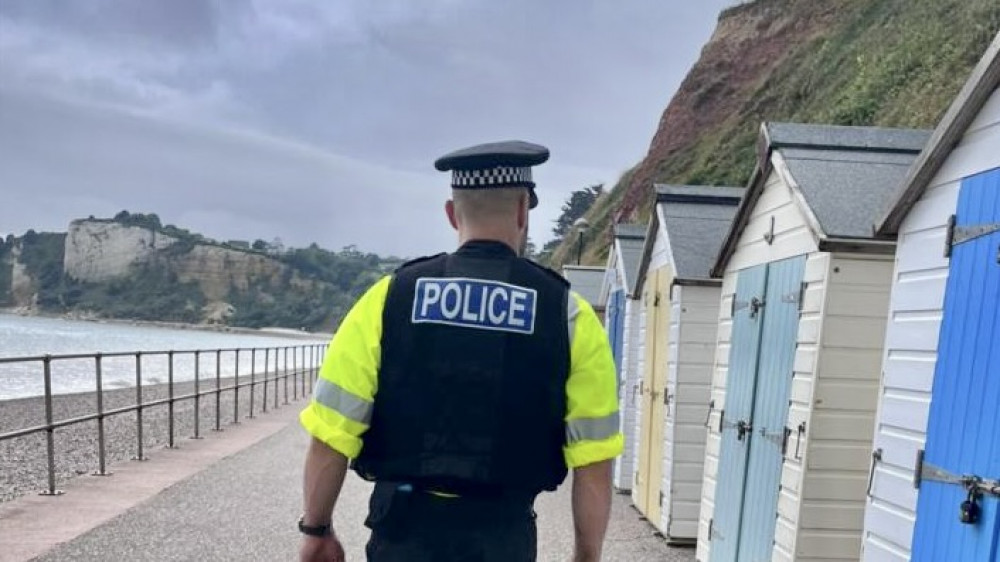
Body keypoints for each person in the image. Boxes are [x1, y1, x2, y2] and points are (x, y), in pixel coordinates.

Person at [297, 140, 623, 562]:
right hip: (503, 537)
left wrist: (316, 528)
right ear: (524, 211)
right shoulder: (568, 315)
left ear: (452, 214)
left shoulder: (388, 299)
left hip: (402, 532)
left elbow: (330, 433)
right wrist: (586, 556)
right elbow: (593, 461)